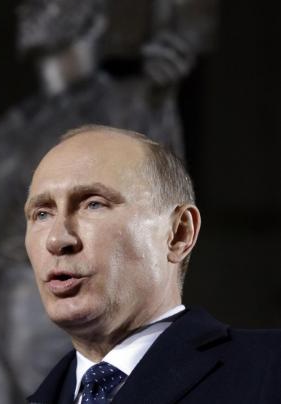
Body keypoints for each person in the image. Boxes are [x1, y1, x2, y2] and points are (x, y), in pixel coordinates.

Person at [24, 124, 281, 404]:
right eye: (42, 214)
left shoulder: (269, 368)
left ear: (179, 233)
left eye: (94, 204)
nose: (57, 239)